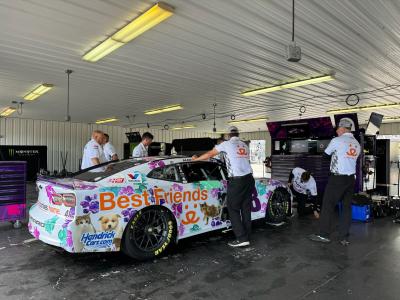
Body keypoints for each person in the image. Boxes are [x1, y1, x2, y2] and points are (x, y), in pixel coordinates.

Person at [192, 126, 254, 248]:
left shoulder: (226, 144)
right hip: (249, 179)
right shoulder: (244, 145)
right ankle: (246, 236)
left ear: (228, 135)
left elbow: (210, 153)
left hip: (237, 180)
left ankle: (241, 238)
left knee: (233, 208)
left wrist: (196, 159)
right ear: (238, 134)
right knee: (246, 208)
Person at [309, 119, 361, 245]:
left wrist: (333, 155)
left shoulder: (337, 141)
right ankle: (344, 237)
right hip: (350, 179)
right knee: (346, 208)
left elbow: (325, 156)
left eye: (337, 128)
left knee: (327, 206)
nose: (336, 131)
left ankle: (323, 235)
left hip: (337, 179)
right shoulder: (357, 144)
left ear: (343, 128)